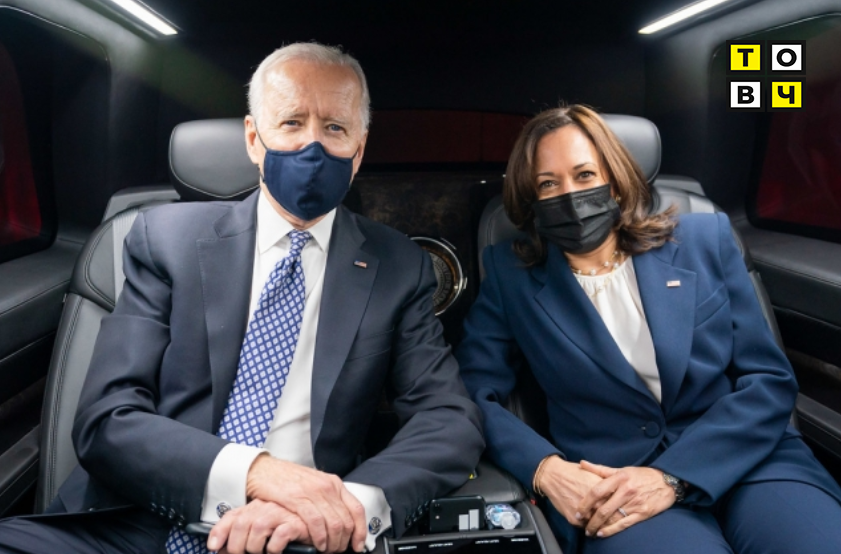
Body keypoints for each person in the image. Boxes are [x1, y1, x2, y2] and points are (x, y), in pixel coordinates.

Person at [0, 43, 484, 554]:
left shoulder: (398, 266)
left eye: (334, 128)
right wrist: (258, 474)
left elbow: (448, 420)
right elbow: (107, 417)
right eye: (292, 123)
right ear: (254, 139)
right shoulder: (164, 239)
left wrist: (344, 506)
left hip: (294, 536)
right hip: (138, 520)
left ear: (358, 150)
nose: (313, 146)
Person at [456, 105, 841, 554]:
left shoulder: (704, 239)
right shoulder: (511, 277)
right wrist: (545, 469)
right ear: (531, 196)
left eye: (584, 174)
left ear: (615, 178)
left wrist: (671, 477)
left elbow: (769, 379)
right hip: (612, 484)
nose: (569, 194)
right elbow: (472, 392)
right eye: (548, 183)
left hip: (747, 460)